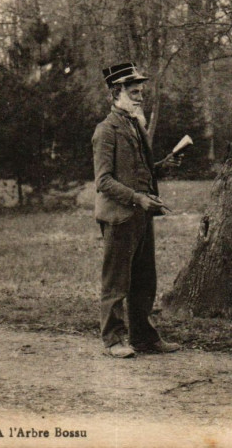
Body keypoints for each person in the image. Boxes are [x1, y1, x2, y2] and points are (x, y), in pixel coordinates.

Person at [92, 62, 182, 358]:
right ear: (116, 93)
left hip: (141, 214)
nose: (140, 96)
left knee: (145, 279)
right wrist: (137, 198)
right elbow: (103, 181)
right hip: (119, 216)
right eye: (134, 91)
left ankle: (144, 337)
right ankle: (113, 340)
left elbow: (139, 171)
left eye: (141, 91)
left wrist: (163, 167)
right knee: (116, 281)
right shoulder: (106, 131)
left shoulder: (135, 125)